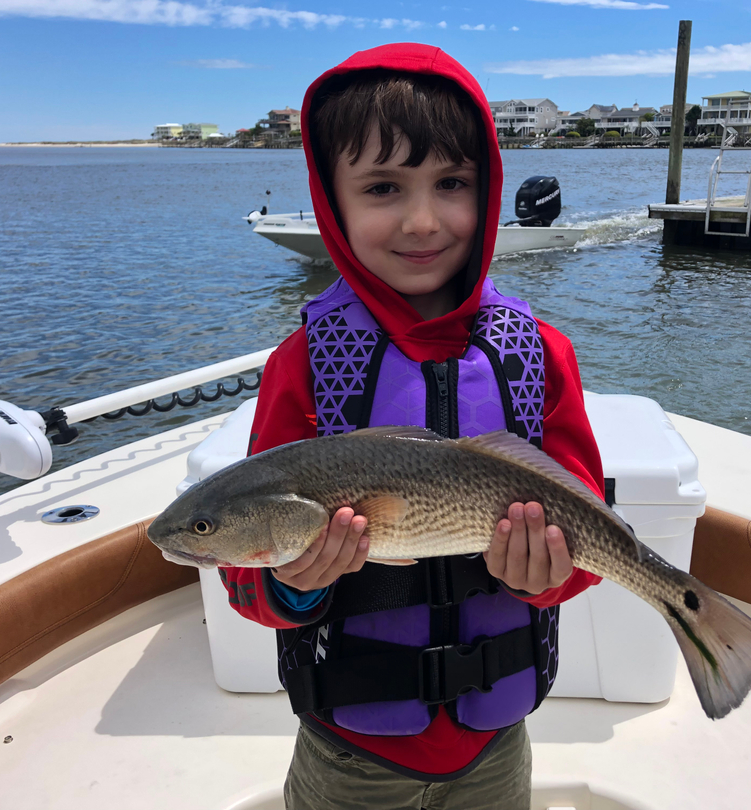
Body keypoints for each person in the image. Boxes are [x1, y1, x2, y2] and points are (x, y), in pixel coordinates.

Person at [219, 42, 605, 809]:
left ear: (489, 189)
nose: (423, 220)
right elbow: (245, 575)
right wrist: (291, 586)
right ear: (332, 201)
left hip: (496, 743)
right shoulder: (303, 366)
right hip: (347, 753)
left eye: (452, 184)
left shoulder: (540, 354)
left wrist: (551, 574)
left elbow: (589, 540)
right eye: (383, 187)